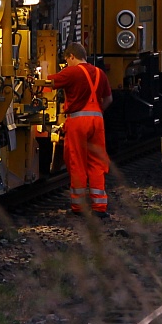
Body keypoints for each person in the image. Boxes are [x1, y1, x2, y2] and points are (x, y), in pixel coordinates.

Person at [49, 42, 113, 217]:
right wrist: (97, 112)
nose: (66, 64)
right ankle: (100, 208)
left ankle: (79, 207)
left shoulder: (72, 72)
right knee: (97, 163)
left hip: (78, 121)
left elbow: (48, 82)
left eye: (66, 60)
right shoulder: (100, 73)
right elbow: (108, 99)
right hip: (97, 121)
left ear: (71, 56)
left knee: (77, 162)